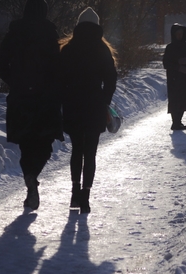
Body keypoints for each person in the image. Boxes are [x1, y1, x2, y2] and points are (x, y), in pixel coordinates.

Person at [0, 0, 63, 211]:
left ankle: (29, 178)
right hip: (46, 100)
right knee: (44, 144)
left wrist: (16, 82)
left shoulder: (13, 34)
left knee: (26, 143)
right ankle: (33, 176)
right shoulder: (51, 35)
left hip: (20, 98)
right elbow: (59, 67)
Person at [59, 7, 117, 214]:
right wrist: (104, 101)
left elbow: (59, 78)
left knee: (77, 150)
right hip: (94, 105)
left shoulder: (68, 49)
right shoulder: (102, 50)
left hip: (73, 105)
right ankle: (85, 196)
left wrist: (64, 99)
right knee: (90, 152)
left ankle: (74, 191)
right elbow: (111, 79)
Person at [163, 24, 186, 131]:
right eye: (177, 34)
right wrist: (178, 66)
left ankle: (179, 122)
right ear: (174, 34)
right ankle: (175, 122)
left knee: (184, 100)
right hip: (174, 79)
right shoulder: (170, 48)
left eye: (181, 34)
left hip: (185, 78)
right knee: (175, 100)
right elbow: (166, 64)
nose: (179, 36)